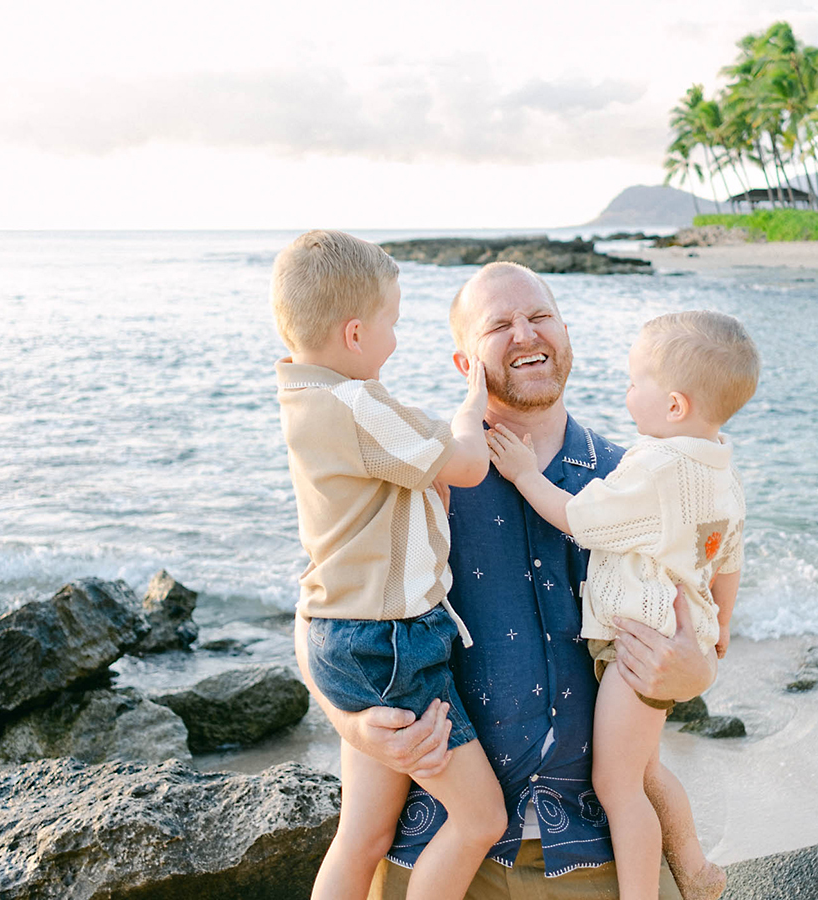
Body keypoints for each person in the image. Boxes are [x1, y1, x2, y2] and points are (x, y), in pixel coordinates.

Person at [293, 259, 716, 898]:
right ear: (464, 364)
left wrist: (697, 671)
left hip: (593, 847)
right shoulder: (419, 471)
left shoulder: (636, 477)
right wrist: (347, 722)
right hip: (438, 850)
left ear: (566, 334)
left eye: (541, 316)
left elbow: (704, 624)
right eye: (499, 325)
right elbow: (323, 613)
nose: (526, 334)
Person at [486, 310, 760, 900]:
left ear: (676, 406)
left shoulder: (657, 469)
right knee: (645, 771)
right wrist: (721, 629)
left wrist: (527, 476)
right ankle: (695, 866)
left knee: (618, 787)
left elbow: (582, 519)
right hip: (670, 638)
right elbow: (730, 561)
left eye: (637, 383)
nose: (626, 392)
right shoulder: (721, 470)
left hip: (639, 649)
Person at [272, 230, 508, 900]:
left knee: (362, 837)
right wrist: (471, 406)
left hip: (339, 635)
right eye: (392, 325)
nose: (396, 342)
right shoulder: (358, 404)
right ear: (353, 334)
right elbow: (465, 464)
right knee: (480, 818)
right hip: (392, 645)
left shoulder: (302, 399)